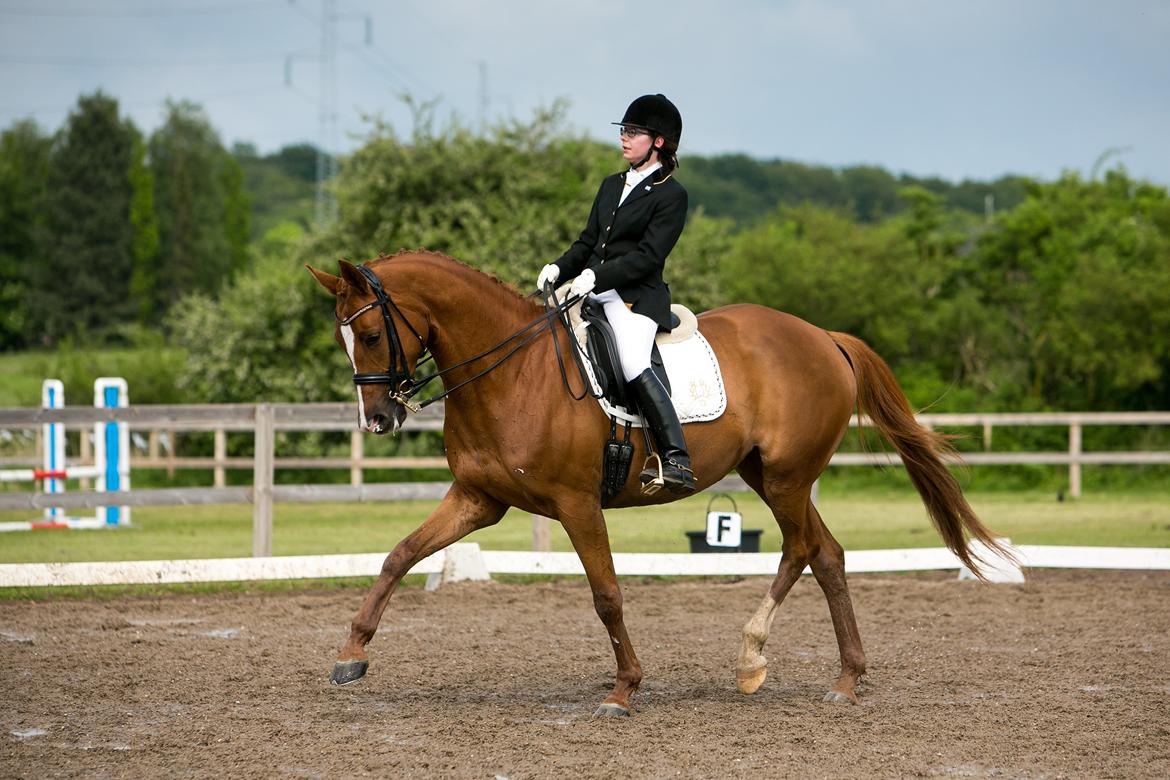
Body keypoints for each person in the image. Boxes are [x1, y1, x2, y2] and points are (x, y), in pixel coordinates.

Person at [536, 93, 695, 494]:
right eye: (623, 131)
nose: (624, 139)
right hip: (593, 290)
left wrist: (597, 276)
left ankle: (676, 457)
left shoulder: (671, 195)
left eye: (634, 133)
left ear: (658, 141)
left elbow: (648, 256)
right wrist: (560, 266)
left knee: (631, 361)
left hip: (636, 298)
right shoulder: (611, 185)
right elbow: (588, 241)